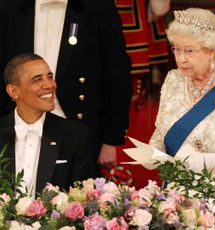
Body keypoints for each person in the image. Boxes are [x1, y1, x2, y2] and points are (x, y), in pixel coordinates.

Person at [0, 0, 132, 177]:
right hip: (17, 127)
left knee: (75, 201)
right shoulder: (8, 7)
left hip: (80, 130)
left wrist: (111, 139)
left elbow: (116, 75)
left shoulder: (98, 7)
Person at [149, 8, 215, 186]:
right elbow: (161, 131)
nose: (181, 59)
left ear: (211, 51)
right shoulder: (173, 79)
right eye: (176, 49)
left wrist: (207, 161)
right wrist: (154, 150)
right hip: (175, 194)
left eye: (189, 51)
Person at [0, 53, 92, 197]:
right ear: (13, 91)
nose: (50, 85)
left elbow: (83, 198)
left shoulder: (75, 136)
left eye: (50, 77)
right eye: (37, 80)